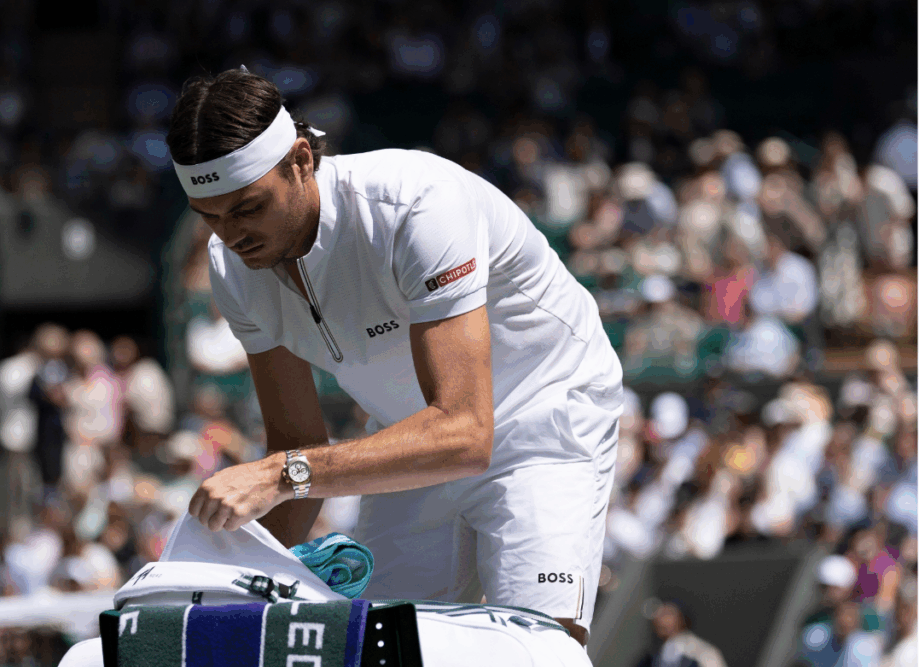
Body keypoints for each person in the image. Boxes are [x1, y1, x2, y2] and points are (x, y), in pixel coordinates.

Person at [166, 68, 624, 648]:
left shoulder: (418, 204)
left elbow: (464, 433)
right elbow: (295, 441)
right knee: (381, 650)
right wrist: (222, 586)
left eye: (249, 207)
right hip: (411, 439)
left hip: (541, 420)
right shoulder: (232, 266)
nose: (232, 235)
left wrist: (280, 476)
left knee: (537, 647)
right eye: (210, 215)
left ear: (301, 160)